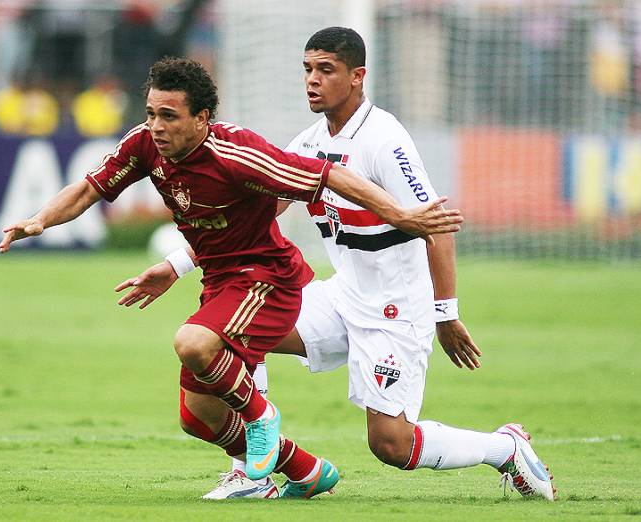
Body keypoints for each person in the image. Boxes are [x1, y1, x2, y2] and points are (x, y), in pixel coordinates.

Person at [119, 28, 556, 501]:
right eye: (307, 69)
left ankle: (504, 448)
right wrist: (176, 264)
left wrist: (445, 313)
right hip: (341, 294)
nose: (312, 80)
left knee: (392, 445)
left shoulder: (384, 139)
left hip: (395, 309)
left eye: (325, 70)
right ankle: (252, 472)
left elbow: (437, 224)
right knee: (235, 329)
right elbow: (254, 215)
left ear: (357, 77)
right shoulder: (307, 143)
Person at [0, 57, 463, 499]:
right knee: (198, 414)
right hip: (223, 282)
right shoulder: (145, 144)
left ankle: (261, 420)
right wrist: (41, 220)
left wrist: (400, 215)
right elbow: (89, 186)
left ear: (202, 118)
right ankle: (305, 471)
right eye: (151, 113)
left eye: (169, 116)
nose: (156, 126)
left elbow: (330, 177)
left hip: (268, 279)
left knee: (195, 343)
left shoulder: (240, 154)